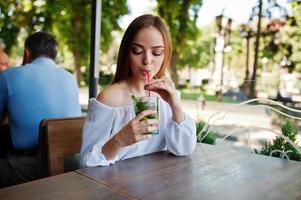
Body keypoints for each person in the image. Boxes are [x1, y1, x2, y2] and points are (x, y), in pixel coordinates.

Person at [80, 14, 196, 167]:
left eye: (156, 52)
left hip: (160, 185)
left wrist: (175, 106)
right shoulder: (109, 99)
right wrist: (119, 140)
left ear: (166, 54)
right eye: (137, 50)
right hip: (116, 186)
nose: (147, 60)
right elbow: (85, 164)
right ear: (127, 53)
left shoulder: (167, 95)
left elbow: (184, 150)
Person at [0, 32, 81, 187]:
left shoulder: (8, 76)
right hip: (71, 163)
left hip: (30, 167)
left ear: (27, 52)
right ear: (54, 55)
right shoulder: (70, 78)